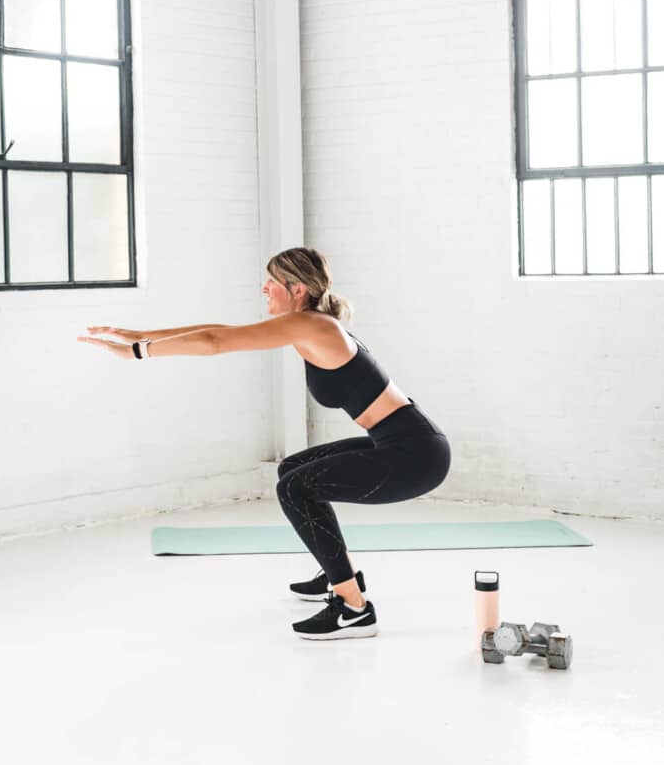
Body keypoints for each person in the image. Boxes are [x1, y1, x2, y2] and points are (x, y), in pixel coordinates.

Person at [77, 246, 451, 641]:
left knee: (295, 488)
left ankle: (354, 610)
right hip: (400, 443)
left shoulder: (314, 327)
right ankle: (338, 573)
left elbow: (215, 341)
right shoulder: (309, 323)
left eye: (272, 281)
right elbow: (219, 331)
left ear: (297, 289)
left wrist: (139, 352)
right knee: (292, 470)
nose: (264, 288)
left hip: (416, 455)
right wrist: (140, 335)